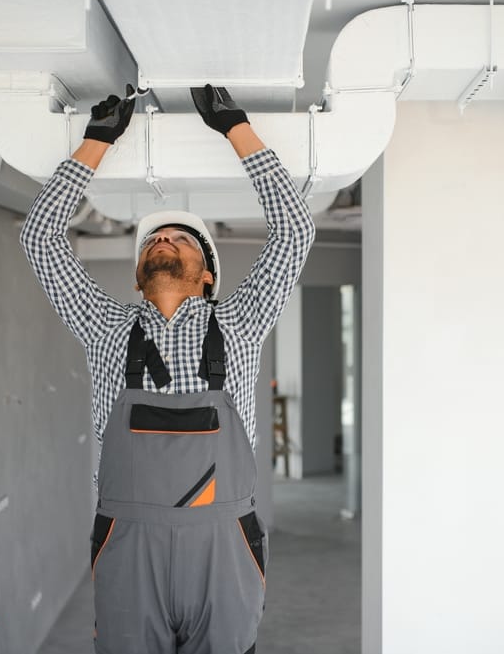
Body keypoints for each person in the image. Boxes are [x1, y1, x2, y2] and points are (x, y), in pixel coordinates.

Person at [19, 83, 315, 654]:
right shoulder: (106, 325)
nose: (166, 239)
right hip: (131, 552)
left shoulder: (241, 321)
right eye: (156, 239)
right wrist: (96, 142)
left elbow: (295, 232)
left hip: (223, 550)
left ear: (208, 276)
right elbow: (40, 237)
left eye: (183, 239)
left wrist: (237, 129)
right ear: (136, 277)